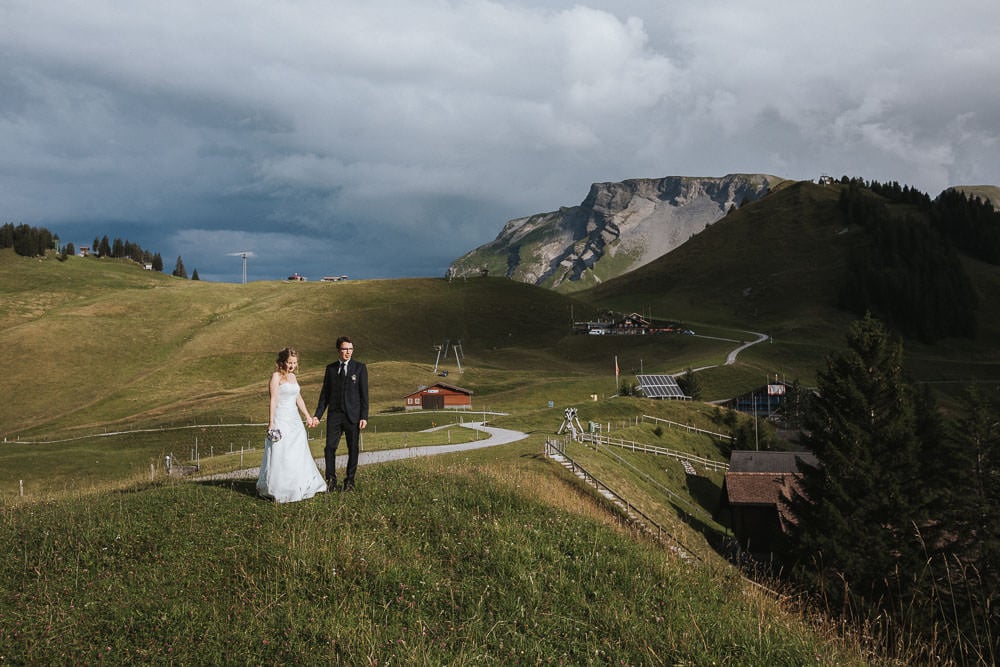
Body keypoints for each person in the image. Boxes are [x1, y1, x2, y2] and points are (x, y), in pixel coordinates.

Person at [256, 348, 327, 502]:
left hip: (295, 420)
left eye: (294, 363)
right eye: (289, 362)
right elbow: (273, 400)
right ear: (282, 362)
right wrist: (271, 422)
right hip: (281, 419)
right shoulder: (275, 377)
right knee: (282, 452)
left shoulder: (293, 377)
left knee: (298, 452)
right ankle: (280, 487)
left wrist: (307, 416)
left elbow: (298, 398)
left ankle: (300, 484)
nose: (292, 366)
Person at [314, 336, 369, 491]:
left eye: (350, 349)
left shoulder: (359, 368)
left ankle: (349, 482)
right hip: (335, 416)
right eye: (345, 349)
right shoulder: (330, 369)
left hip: (353, 416)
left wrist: (364, 416)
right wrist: (317, 415)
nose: (348, 352)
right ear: (338, 350)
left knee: (353, 449)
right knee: (329, 448)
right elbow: (324, 395)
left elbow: (364, 395)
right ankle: (331, 481)